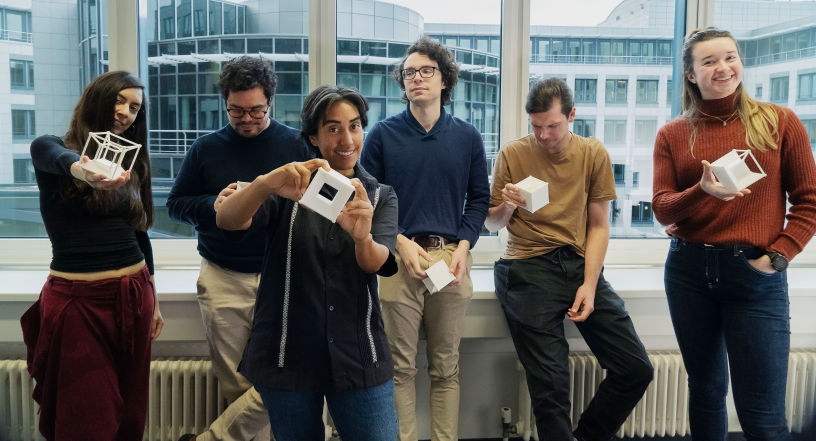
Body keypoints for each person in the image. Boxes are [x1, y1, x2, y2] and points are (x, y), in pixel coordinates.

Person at [652, 27, 816, 441]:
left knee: (761, 411)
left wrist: (775, 258)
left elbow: (810, 202)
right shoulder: (673, 133)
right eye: (709, 61)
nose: (723, 68)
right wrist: (700, 191)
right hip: (689, 272)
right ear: (691, 74)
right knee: (705, 392)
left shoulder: (779, 122)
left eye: (730, 57)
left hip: (755, 275)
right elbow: (661, 207)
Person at [216, 86, 399, 441]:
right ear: (313, 137)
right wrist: (265, 184)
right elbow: (228, 220)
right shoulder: (288, 189)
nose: (347, 139)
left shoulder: (379, 194)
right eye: (332, 128)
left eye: (355, 126)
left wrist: (362, 237)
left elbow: (379, 262)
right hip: (287, 352)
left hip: (359, 352)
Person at [486, 78, 653, 441]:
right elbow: (492, 222)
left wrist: (590, 285)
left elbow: (598, 226)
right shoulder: (513, 154)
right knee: (552, 389)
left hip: (577, 263)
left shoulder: (593, 153)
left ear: (572, 115)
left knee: (636, 369)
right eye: (536, 126)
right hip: (527, 265)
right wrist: (509, 204)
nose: (544, 135)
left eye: (552, 126)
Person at [167, 56, 311, 441]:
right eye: (236, 111)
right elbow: (176, 204)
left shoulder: (295, 145)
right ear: (225, 102)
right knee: (236, 383)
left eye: (255, 110)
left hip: (283, 277)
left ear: (271, 103)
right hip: (223, 276)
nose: (246, 118)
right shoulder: (205, 148)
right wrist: (215, 204)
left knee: (285, 378)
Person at [20, 71, 163, 441]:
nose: (126, 112)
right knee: (84, 420)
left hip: (135, 294)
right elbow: (59, 158)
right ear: (97, 98)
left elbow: (141, 233)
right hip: (77, 302)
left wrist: (155, 298)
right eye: (119, 100)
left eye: (134, 107)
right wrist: (84, 170)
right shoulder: (49, 147)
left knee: (131, 415)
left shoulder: (134, 165)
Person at [360, 35, 490, 441]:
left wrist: (466, 246)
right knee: (399, 368)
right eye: (410, 73)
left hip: (450, 260)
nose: (417, 78)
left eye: (426, 71)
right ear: (403, 83)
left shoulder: (467, 137)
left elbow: (480, 198)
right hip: (398, 258)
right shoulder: (382, 135)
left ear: (444, 80)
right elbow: (367, 198)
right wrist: (397, 241)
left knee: (446, 367)